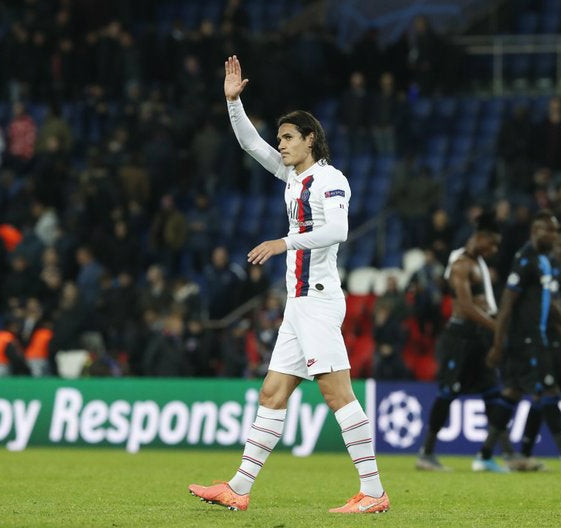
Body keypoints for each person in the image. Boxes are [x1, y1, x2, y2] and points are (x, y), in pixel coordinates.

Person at [188, 55, 389, 514]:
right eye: (279, 137)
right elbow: (250, 146)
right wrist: (233, 103)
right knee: (272, 394)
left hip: (318, 301)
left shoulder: (329, 180)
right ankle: (238, 488)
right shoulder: (293, 178)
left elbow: (338, 231)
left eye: (287, 138)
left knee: (338, 394)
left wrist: (284, 242)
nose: (279, 145)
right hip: (297, 306)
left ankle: (374, 492)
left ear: (310, 140)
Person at [480, 210, 561, 474]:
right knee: (547, 394)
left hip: (540, 339)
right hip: (527, 340)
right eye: (551, 231)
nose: (555, 237)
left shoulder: (545, 262)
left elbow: (552, 308)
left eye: (557, 232)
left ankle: (487, 454)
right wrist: (499, 343)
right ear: (536, 231)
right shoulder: (525, 260)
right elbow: (507, 304)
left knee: (514, 392)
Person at [415, 212, 507, 471]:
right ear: (480, 238)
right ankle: (426, 453)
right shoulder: (461, 265)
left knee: (492, 392)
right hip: (459, 338)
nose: (495, 249)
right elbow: (465, 306)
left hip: (477, 338)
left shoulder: (478, 264)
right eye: (492, 243)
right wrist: (496, 326)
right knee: (448, 392)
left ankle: (494, 454)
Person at [512, 226, 561, 471]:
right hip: (550, 342)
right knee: (546, 394)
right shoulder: (550, 268)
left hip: (559, 341)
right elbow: (553, 312)